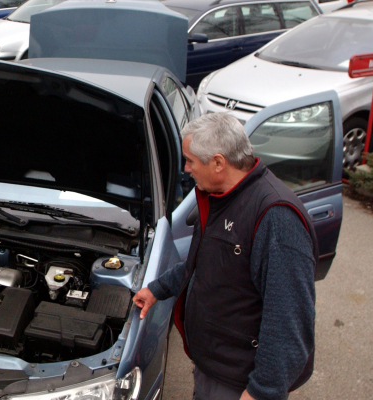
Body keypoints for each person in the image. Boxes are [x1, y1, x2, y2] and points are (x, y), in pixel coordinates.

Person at [133, 113, 317, 400]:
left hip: (238, 383)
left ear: (218, 163)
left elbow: (288, 319)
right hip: (212, 367)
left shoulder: (276, 217)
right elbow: (204, 263)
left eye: (191, 161)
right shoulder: (220, 197)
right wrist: (157, 289)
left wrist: (262, 392)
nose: (186, 168)